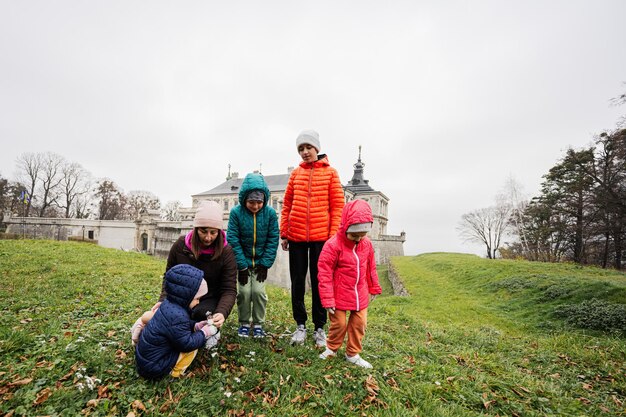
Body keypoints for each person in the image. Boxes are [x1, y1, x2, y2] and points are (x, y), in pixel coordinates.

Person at [280, 129, 345, 347]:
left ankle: (319, 327)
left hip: (322, 239)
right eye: (301, 149)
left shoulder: (331, 173)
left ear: (316, 148)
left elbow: (337, 207)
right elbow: (287, 205)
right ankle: (300, 325)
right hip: (296, 236)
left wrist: (333, 237)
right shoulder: (296, 174)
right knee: (297, 282)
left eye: (308, 147)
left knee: (320, 282)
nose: (305, 152)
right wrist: (284, 233)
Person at [152, 201, 238, 339]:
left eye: (213, 232)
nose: (208, 237)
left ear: (219, 231)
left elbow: (229, 289)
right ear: (196, 228)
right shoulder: (180, 246)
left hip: (209, 299)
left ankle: (209, 332)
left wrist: (222, 312)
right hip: (182, 297)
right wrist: (163, 300)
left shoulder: (226, 252)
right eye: (203, 231)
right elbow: (169, 278)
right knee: (169, 316)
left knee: (201, 314)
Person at [317, 199, 382, 369]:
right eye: (354, 235)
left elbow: (370, 268)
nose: (358, 239)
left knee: (359, 323)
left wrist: (374, 286)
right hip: (338, 293)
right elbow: (324, 273)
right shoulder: (332, 246)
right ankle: (331, 348)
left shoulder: (366, 244)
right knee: (339, 323)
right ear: (345, 227)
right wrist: (328, 299)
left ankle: (352, 353)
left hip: (359, 292)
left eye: (362, 235)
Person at [135, 264, 219, 379]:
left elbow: (176, 327)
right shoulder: (178, 315)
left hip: (147, 361)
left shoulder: (168, 304)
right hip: (155, 368)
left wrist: (195, 326)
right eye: (197, 299)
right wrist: (204, 333)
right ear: (186, 296)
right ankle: (175, 373)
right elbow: (187, 344)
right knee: (192, 348)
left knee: (189, 338)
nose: (198, 303)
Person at [227, 173, 279, 338]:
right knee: (244, 293)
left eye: (259, 202)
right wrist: (241, 265)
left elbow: (273, 239)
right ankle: (243, 322)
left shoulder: (270, 214)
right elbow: (233, 239)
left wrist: (265, 264)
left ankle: (258, 323)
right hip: (243, 263)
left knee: (257, 292)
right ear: (244, 200)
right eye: (251, 202)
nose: (255, 206)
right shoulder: (236, 213)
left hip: (260, 264)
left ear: (264, 200)